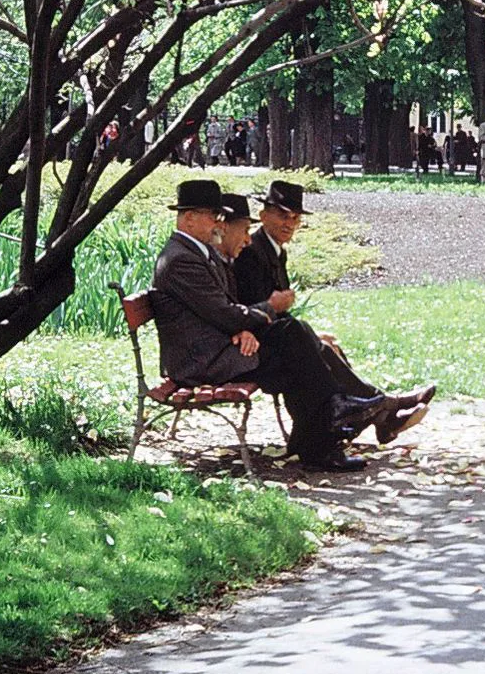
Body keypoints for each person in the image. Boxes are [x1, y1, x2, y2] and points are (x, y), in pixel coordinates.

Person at [152, 179, 386, 473]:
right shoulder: (181, 259)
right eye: (214, 216)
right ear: (189, 217)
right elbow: (223, 312)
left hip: (218, 347)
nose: (220, 224)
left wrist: (243, 328)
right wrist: (266, 310)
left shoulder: (197, 252)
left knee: (295, 345)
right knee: (293, 340)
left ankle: (320, 435)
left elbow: (218, 308)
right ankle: (326, 426)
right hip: (201, 361)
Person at [232, 180, 434, 450]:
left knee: (326, 345)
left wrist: (308, 335)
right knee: (322, 350)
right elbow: (251, 309)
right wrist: (304, 335)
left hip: (274, 336)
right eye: (282, 216)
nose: (289, 224)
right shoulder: (251, 252)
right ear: (263, 215)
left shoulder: (274, 250)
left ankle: (380, 413)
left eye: (295, 218)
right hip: (255, 346)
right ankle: (383, 409)